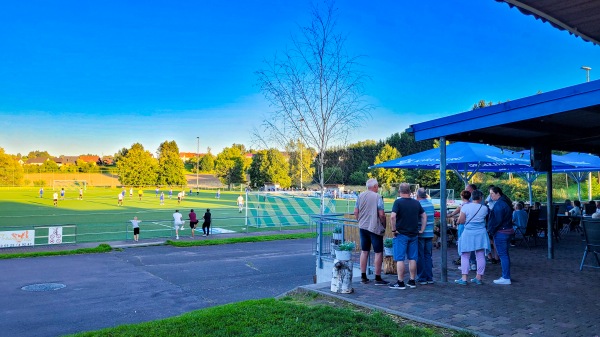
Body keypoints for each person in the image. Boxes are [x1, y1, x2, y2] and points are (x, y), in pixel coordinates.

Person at [389, 183, 426, 290]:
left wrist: (393, 230)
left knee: (400, 258)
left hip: (401, 234)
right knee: (412, 258)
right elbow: (424, 216)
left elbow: (392, 217)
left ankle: (400, 282)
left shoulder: (398, 202)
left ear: (400, 191)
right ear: (410, 191)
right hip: (414, 234)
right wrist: (422, 230)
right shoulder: (416, 203)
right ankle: (412, 280)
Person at [354, 178, 387, 285]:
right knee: (378, 252)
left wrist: (360, 220)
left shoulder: (360, 196)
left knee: (364, 251)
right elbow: (381, 214)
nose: (378, 188)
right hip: (374, 227)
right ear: (375, 186)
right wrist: (383, 224)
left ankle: (363, 276)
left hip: (363, 227)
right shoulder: (378, 197)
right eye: (377, 186)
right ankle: (377, 277)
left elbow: (356, 212)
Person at [455, 190, 490, 285]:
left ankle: (464, 278)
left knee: (465, 255)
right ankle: (479, 277)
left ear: (471, 197)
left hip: (468, 233)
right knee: (480, 255)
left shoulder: (465, 207)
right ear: (481, 198)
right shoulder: (484, 208)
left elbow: (461, 221)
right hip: (481, 233)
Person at [487, 186, 514, 285]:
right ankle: (506, 275)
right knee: (505, 255)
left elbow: (497, 220)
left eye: (492, 194)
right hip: (507, 231)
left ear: (498, 193)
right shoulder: (506, 202)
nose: (490, 196)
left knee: (503, 255)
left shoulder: (499, 205)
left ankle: (506, 277)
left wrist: (491, 230)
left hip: (501, 232)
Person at [416, 188, 435, 285]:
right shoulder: (431, 205)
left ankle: (422, 277)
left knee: (420, 255)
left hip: (421, 233)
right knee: (428, 255)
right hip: (430, 233)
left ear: (418, 195)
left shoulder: (418, 205)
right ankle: (429, 277)